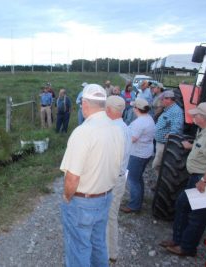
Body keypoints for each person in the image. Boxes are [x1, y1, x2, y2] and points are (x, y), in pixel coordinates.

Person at [60, 84, 124, 267]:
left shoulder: (82, 132)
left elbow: (72, 177)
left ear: (85, 103)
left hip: (82, 202)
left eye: (81, 104)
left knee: (79, 248)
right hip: (105, 197)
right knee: (98, 243)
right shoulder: (117, 129)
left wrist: (66, 196)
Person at [160, 102, 206, 257]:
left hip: (202, 181)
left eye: (196, 114)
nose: (193, 116)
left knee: (197, 216)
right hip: (195, 177)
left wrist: (204, 180)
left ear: (205, 117)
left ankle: (188, 248)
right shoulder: (203, 131)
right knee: (182, 205)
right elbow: (202, 149)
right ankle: (178, 240)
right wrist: (192, 146)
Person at [105, 95, 132, 263]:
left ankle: (110, 253)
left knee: (109, 217)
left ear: (108, 110)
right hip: (119, 177)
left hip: (112, 179)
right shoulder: (124, 127)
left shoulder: (113, 130)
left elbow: (111, 160)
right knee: (110, 215)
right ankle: (109, 251)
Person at [120, 98, 155, 213]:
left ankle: (134, 205)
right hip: (145, 153)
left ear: (136, 109)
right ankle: (138, 201)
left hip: (137, 154)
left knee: (132, 180)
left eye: (134, 107)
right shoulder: (148, 118)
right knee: (138, 178)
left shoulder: (140, 122)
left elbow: (133, 139)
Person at [152, 90, 184, 176]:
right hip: (160, 142)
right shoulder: (168, 109)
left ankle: (159, 185)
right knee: (157, 165)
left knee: (157, 165)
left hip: (164, 144)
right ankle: (157, 182)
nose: (161, 101)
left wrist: (170, 134)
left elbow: (177, 127)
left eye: (163, 99)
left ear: (170, 99)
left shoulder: (176, 111)